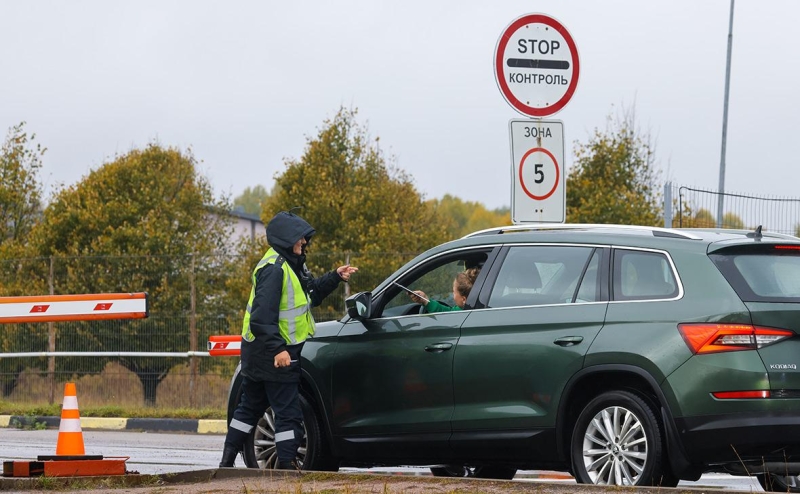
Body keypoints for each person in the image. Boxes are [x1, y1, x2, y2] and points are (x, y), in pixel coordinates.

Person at [219, 210, 358, 470]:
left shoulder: (289, 265)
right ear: (286, 239)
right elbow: (261, 318)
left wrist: (335, 277)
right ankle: (285, 467)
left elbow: (311, 294)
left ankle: (226, 462)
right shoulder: (274, 269)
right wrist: (279, 350)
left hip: (259, 353)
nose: (304, 243)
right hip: (275, 355)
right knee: (287, 413)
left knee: (249, 408)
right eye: (300, 238)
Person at [409, 266, 480, 312]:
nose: (453, 294)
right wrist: (425, 300)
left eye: (454, 292)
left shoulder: (461, 314)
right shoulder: (480, 309)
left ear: (464, 299)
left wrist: (426, 302)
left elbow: (446, 313)